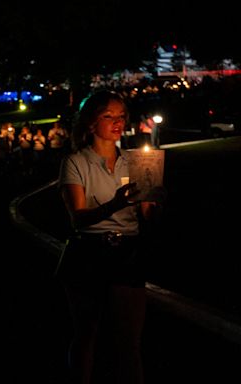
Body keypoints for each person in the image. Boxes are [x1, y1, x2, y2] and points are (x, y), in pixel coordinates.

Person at [57, 90, 165, 384]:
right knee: (86, 334)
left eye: (121, 116)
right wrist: (115, 204)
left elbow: (145, 217)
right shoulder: (75, 162)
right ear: (91, 123)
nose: (117, 122)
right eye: (108, 116)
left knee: (129, 341)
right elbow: (78, 218)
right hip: (88, 253)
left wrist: (153, 204)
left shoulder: (134, 163)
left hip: (127, 252)